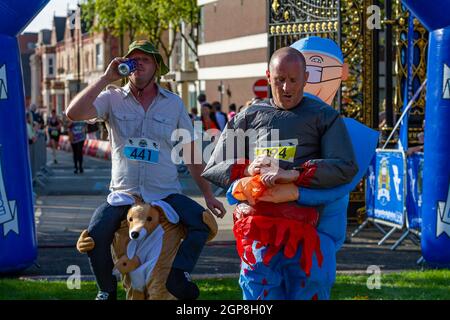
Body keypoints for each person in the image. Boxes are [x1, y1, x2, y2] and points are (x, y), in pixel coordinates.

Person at [66, 40, 225, 300]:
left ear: (157, 68)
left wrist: (208, 194)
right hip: (124, 194)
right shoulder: (111, 98)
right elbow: (73, 112)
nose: (138, 63)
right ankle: (106, 290)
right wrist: (106, 78)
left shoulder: (173, 104)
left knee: (202, 224)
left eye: (145, 59)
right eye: (133, 59)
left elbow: (191, 152)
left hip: (164, 194)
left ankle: (179, 275)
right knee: (95, 235)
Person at [201, 47, 359, 300]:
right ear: (268, 77)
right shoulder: (248, 116)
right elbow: (215, 165)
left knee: (309, 290)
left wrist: (295, 174)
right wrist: (247, 169)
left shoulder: (325, 117)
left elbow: (344, 166)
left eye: (294, 80)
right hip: (257, 232)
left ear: (306, 78)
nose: (287, 87)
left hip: (305, 232)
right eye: (280, 80)